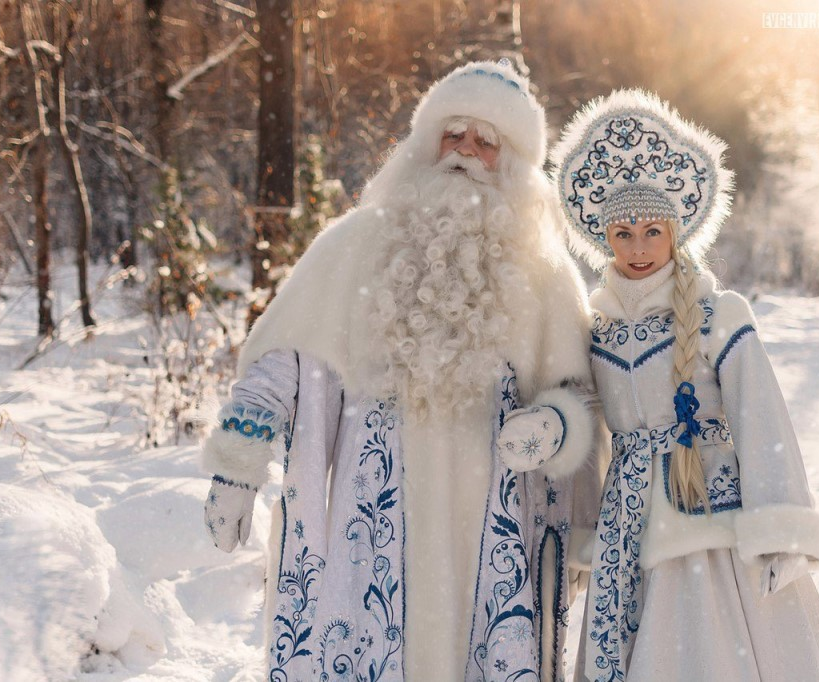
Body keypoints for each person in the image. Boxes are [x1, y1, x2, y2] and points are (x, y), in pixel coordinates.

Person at [199, 60, 600, 682]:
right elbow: (285, 359)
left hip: (492, 533)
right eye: (452, 133)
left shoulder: (546, 276)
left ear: (514, 163)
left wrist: (554, 426)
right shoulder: (354, 245)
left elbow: (581, 398)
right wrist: (236, 464)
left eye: (486, 141)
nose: (464, 152)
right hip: (370, 532)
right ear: (425, 141)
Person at [550, 89, 819, 681]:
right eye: (623, 233)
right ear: (604, 240)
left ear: (675, 231)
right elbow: (588, 433)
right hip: (626, 529)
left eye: (651, 231)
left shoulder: (722, 316)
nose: (638, 249)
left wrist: (780, 527)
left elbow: (761, 421)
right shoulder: (595, 329)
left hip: (711, 512)